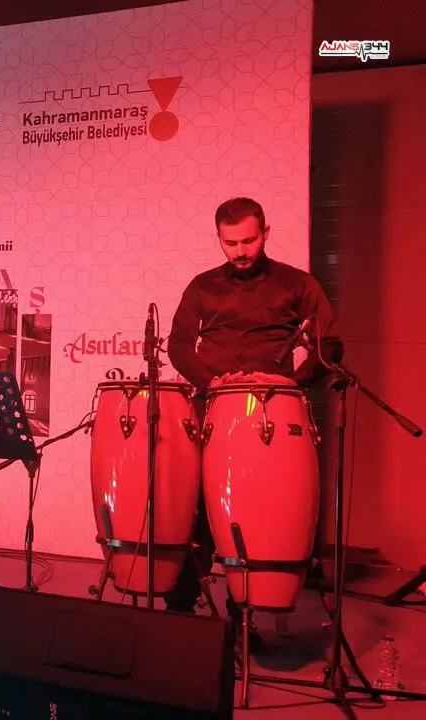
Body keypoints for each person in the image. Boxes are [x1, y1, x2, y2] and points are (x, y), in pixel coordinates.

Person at [165, 197, 342, 642]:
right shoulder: (202, 286)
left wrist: (293, 384)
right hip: (213, 404)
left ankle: (242, 618)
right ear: (219, 239)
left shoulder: (296, 283)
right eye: (230, 243)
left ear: (265, 233)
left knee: (256, 510)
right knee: (194, 507)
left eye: (248, 240)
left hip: (271, 409)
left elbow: (330, 344)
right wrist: (211, 382)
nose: (240, 251)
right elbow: (179, 344)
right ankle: (180, 616)